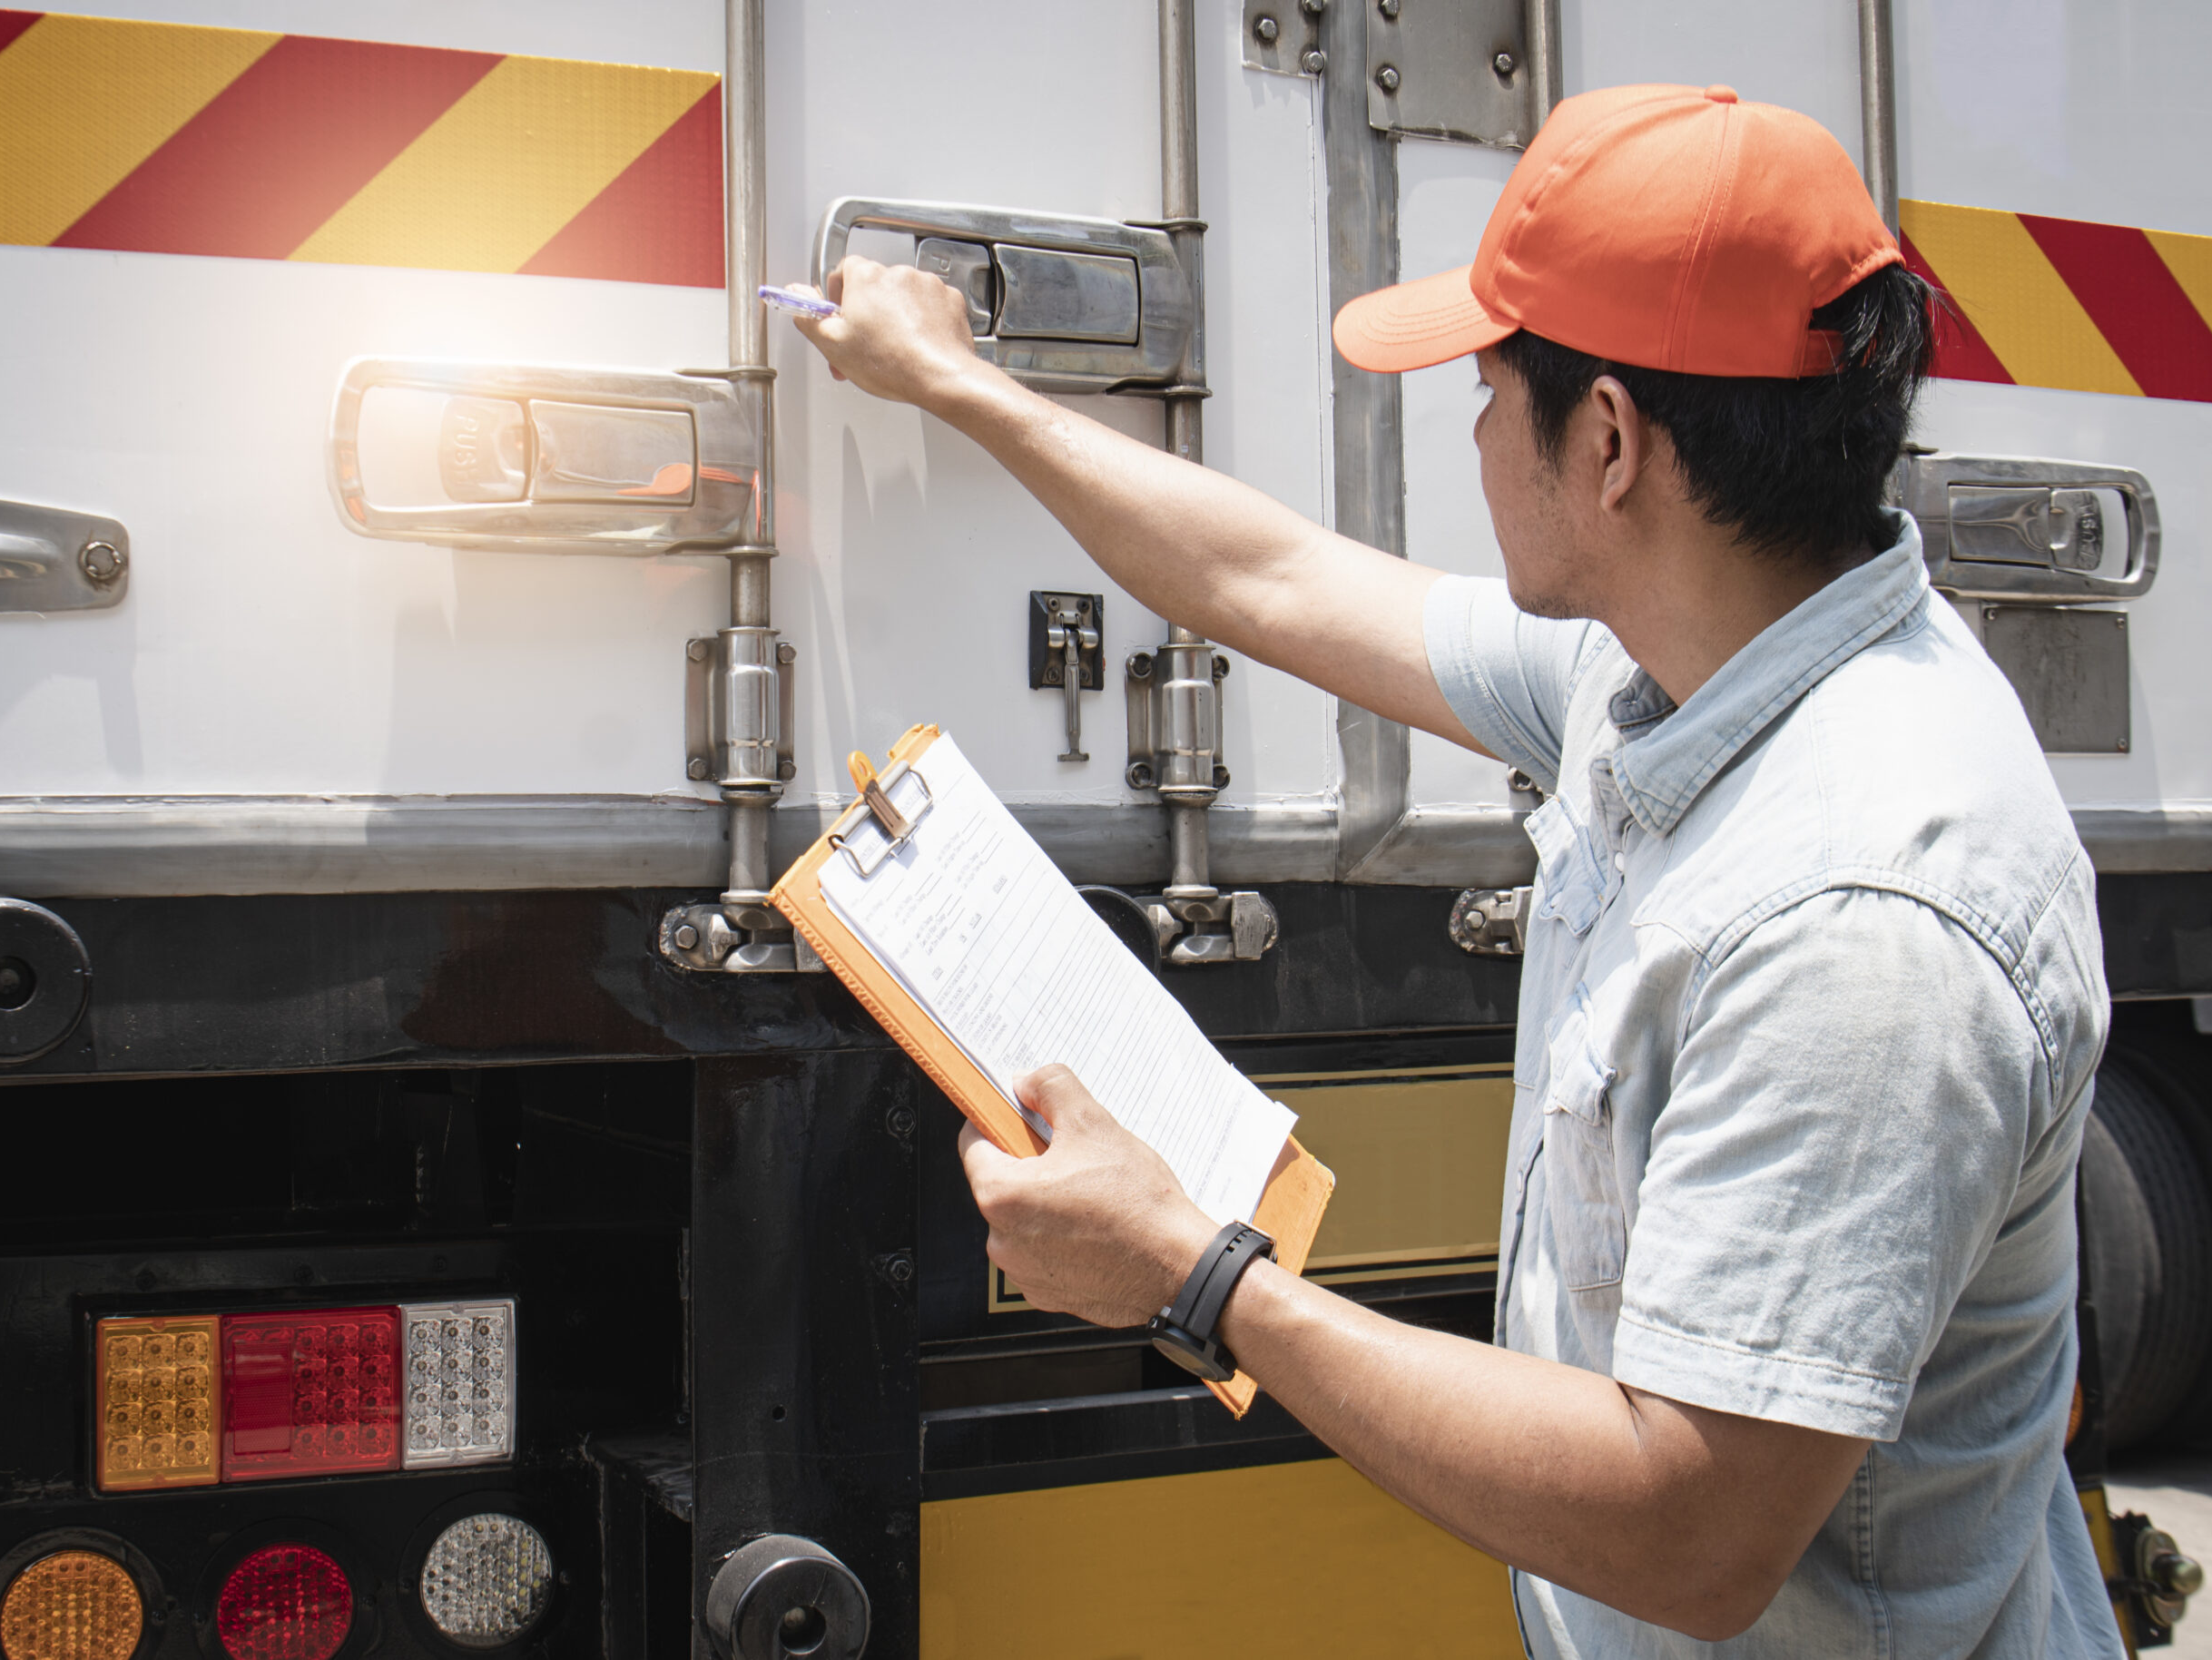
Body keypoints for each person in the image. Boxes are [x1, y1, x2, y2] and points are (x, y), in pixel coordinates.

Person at [791, 82, 2120, 1655]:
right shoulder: (1682, 660)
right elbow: (1265, 576)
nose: (1479, 434)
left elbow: (1690, 1530)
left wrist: (1198, 1273)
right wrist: (961, 385)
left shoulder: (1865, 917)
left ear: (1612, 441)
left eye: (1489, 391)